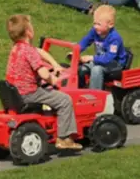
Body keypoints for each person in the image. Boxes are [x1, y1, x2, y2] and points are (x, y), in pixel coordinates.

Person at [5, 14, 82, 151]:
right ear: (29, 32)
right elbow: (44, 73)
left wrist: (55, 64)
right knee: (64, 100)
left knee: (51, 94)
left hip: (15, 91)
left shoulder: (16, 48)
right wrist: (54, 79)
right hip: (30, 93)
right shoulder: (28, 51)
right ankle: (64, 138)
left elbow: (39, 52)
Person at [77, 5, 129, 89]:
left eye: (98, 24)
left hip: (115, 64)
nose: (95, 26)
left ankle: (94, 94)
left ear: (110, 25)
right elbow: (85, 41)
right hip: (101, 60)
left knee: (96, 70)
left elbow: (109, 58)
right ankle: (80, 89)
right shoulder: (95, 31)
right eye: (94, 23)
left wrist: (92, 58)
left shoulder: (114, 38)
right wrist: (76, 51)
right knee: (83, 67)